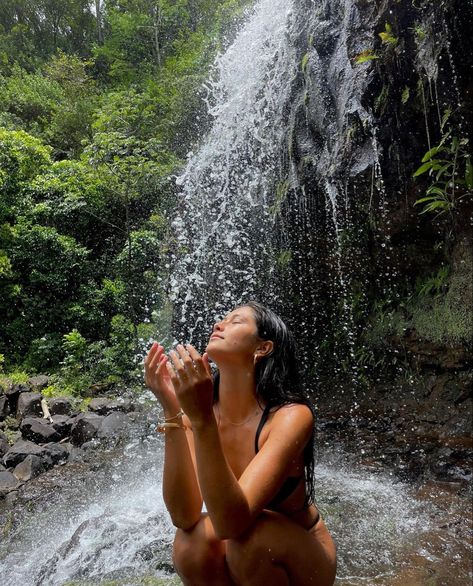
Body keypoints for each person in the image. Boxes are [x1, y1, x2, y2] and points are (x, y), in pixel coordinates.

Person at [144, 301, 336, 585]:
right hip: (243, 546)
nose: (218, 325)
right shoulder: (199, 411)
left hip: (302, 558)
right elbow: (184, 516)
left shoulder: (290, 417)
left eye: (235, 322)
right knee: (191, 543)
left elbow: (231, 524)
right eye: (221, 320)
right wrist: (173, 410)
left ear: (262, 348)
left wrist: (202, 421)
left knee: (250, 542)